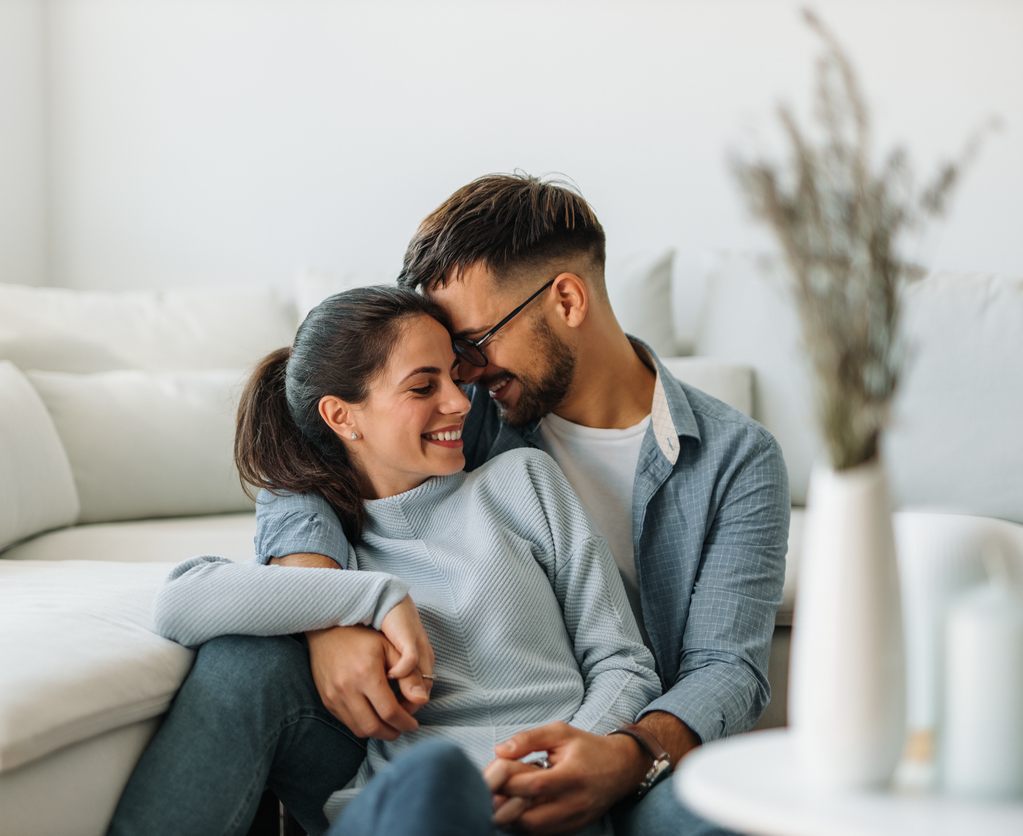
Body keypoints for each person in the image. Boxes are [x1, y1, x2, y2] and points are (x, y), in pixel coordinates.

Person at [109, 173, 790, 836]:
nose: (463, 379)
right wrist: (328, 607)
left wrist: (620, 754)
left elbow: (724, 669)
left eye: (474, 342)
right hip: (406, 750)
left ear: (567, 301)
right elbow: (312, 454)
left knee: (722, 815)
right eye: (444, 359)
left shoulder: (734, 459)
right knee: (250, 667)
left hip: (615, 740)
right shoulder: (461, 416)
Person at [111, 285, 661, 836]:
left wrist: (561, 765)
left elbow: (623, 663)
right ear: (342, 416)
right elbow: (180, 602)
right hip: (409, 813)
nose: (459, 402)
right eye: (424, 386)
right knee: (425, 768)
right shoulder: (330, 550)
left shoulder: (524, 483)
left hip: (553, 806)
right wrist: (375, 594)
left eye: (453, 376)